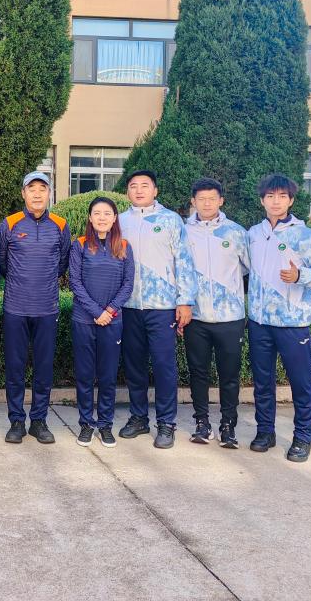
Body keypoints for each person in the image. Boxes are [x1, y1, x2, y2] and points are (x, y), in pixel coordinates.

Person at [247, 173, 311, 463]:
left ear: (291, 200)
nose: (276, 201)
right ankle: (265, 432)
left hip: (293, 322)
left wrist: (299, 276)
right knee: (262, 382)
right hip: (259, 322)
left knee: (301, 382)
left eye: (282, 196)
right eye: (270, 196)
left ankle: (303, 437)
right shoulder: (253, 234)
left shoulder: (303, 235)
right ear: (262, 200)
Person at [117, 170, 197, 450]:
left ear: (155, 190)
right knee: (134, 365)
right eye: (133, 186)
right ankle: (139, 417)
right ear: (127, 191)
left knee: (164, 366)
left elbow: (184, 261)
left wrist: (184, 300)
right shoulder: (120, 221)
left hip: (162, 306)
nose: (139, 190)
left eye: (145, 185)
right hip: (129, 305)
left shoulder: (170, 220)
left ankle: (166, 423)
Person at [0, 171, 71, 445]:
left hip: (47, 308)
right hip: (15, 308)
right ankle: (16, 421)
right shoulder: (9, 224)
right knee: (15, 368)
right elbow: (2, 263)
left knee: (43, 368)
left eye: (43, 188)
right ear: (23, 193)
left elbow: (62, 263)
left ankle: (39, 421)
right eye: (32, 188)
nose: (37, 193)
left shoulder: (60, 225)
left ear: (50, 193)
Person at [182, 178, 249, 449]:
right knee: (198, 373)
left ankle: (228, 426)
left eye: (212, 198)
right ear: (193, 202)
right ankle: (202, 423)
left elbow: (248, 267)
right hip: (195, 316)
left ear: (221, 200)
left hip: (230, 317)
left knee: (229, 374)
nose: (207, 203)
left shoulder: (236, 232)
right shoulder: (183, 232)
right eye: (201, 199)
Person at [68, 196, 134, 448]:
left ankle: (105, 424)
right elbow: (75, 282)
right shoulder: (80, 245)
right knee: (85, 375)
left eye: (107, 213)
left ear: (115, 218)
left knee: (107, 376)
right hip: (84, 320)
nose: (102, 217)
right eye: (97, 213)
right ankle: (86, 423)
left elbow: (128, 284)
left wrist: (110, 310)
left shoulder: (124, 246)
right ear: (90, 217)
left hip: (113, 321)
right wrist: (97, 312)